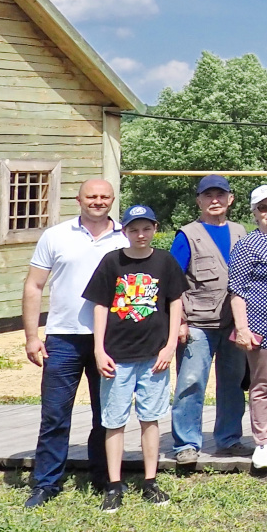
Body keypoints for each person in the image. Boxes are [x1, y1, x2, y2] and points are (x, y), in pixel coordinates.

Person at [21, 177, 126, 508]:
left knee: (106, 412)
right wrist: (31, 336)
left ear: (112, 200)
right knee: (55, 413)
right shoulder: (56, 236)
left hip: (109, 339)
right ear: (78, 200)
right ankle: (46, 482)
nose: (98, 201)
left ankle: (103, 477)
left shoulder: (125, 237)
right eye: (91, 196)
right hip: (63, 337)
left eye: (104, 196)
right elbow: (34, 286)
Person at [83, 204, 185, 511]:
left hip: (154, 356)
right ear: (124, 231)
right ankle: (114, 485)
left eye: (146, 228)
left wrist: (169, 346)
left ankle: (150, 481)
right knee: (114, 421)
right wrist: (99, 349)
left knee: (149, 418)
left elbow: (175, 303)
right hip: (117, 356)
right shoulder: (112, 261)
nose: (141, 234)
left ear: (155, 229)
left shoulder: (165, 261)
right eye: (134, 229)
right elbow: (100, 306)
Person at [168, 174, 247, 463]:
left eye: (220, 195)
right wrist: (179, 321)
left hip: (233, 324)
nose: (215, 200)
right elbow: (172, 281)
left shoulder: (241, 232)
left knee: (233, 384)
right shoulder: (187, 235)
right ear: (199, 201)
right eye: (208, 196)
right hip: (197, 324)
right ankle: (186, 444)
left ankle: (229, 439)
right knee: (191, 383)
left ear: (230, 199)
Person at [225, 185, 267, 469]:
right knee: (264, 385)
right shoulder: (246, 245)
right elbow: (237, 290)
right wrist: (242, 328)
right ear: (254, 213)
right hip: (261, 326)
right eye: (263, 207)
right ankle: (263, 443)